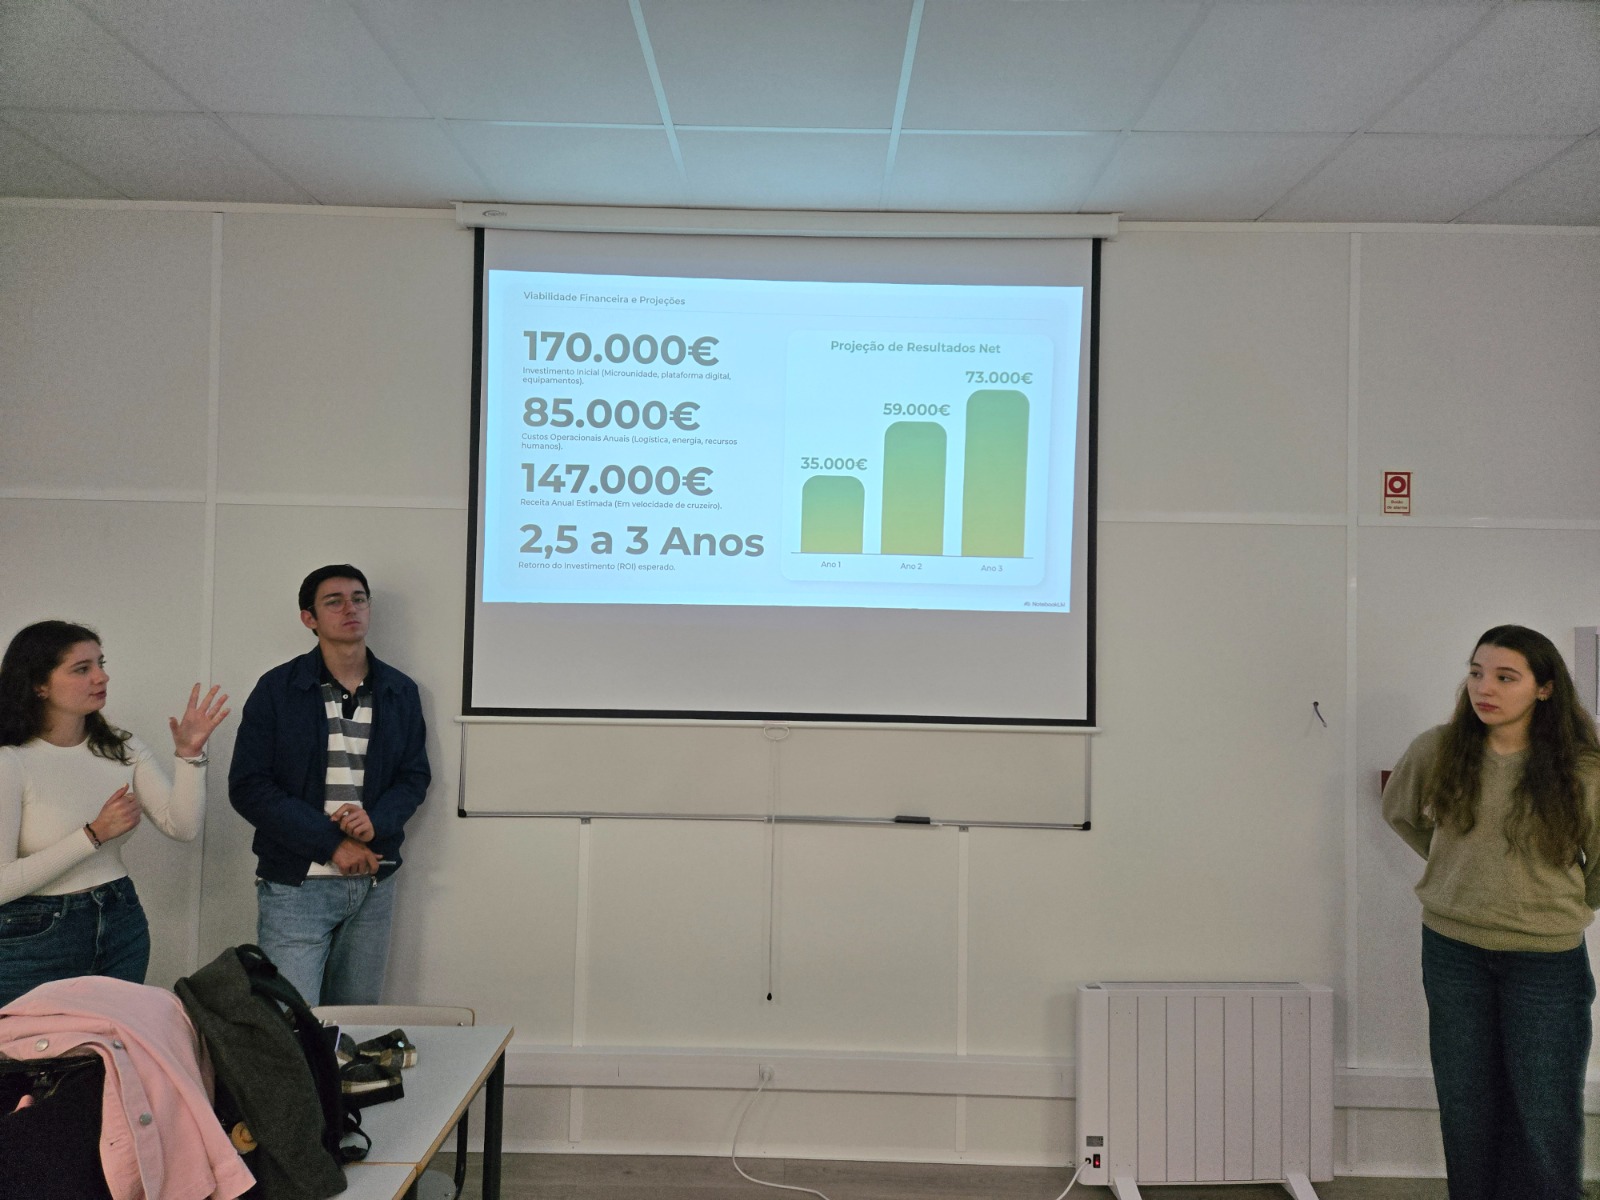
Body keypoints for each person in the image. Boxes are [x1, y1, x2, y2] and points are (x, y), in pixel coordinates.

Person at [1384, 624, 1600, 1199]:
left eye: (1506, 677)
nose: (1485, 688)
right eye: (1477, 673)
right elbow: (1400, 812)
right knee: (1466, 1103)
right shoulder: (1437, 749)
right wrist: (1458, 869)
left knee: (1545, 1108)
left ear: (1544, 689)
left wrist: (1559, 903)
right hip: (1452, 953)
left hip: (1546, 961)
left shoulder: (1582, 769)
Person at [228, 564, 430, 1007]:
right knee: (292, 1022)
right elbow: (249, 786)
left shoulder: (399, 690)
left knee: (354, 1022)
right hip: (297, 884)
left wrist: (376, 821)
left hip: (374, 881)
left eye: (359, 599)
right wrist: (331, 843)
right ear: (310, 618)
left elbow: (413, 776)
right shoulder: (277, 689)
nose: (349, 609)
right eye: (333, 602)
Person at [0, 620, 229, 1006]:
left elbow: (182, 827)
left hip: (120, 918)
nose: (101, 677)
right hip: (33, 935)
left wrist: (189, 756)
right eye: (82, 669)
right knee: (32, 1045)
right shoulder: (10, 762)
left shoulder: (123, 747)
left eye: (100, 664)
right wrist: (92, 835)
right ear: (39, 685)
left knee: (114, 1039)